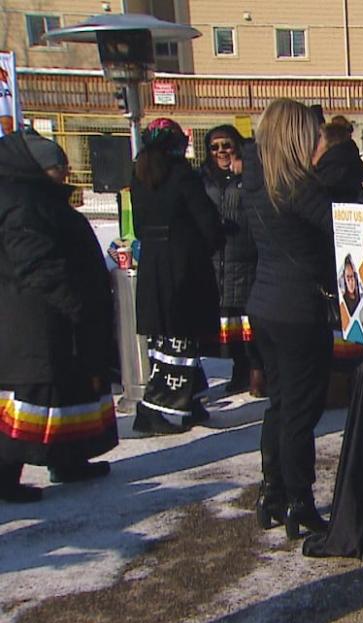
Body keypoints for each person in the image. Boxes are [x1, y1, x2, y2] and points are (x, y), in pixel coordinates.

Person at [0, 133, 116, 502]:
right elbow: (36, 262)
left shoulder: (36, 196)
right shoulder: (21, 202)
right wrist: (73, 301)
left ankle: (68, 459)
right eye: (56, 166)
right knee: (30, 399)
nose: (64, 173)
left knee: (70, 389)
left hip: (58, 318)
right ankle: (5, 476)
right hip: (37, 319)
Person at [240, 98, 337, 538]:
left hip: (266, 306)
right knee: (301, 410)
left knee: (281, 405)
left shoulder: (258, 183)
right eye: (315, 133)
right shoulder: (298, 187)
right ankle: (299, 500)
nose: (321, 140)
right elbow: (341, 229)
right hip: (298, 309)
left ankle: (272, 491)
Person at [131, 118, 223, 434]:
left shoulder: (139, 174)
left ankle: (191, 401)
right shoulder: (182, 174)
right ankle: (151, 409)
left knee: (165, 334)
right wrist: (215, 239)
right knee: (180, 337)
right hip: (182, 265)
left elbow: (140, 223)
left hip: (154, 265)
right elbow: (205, 219)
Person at [201, 124, 264, 397]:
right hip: (218, 259)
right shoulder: (204, 178)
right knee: (230, 325)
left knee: (250, 325)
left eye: (226, 145)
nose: (221, 152)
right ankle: (239, 372)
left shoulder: (248, 174)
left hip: (246, 255)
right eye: (215, 147)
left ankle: (256, 373)